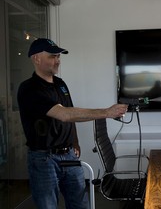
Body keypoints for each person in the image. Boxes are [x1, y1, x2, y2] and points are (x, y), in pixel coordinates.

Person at [17, 38, 128, 209]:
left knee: (79, 203)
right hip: (44, 159)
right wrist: (106, 112)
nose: (58, 60)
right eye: (52, 56)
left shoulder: (60, 84)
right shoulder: (29, 89)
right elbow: (64, 114)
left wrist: (74, 141)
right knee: (48, 206)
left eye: (59, 56)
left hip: (69, 154)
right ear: (36, 58)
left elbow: (71, 113)